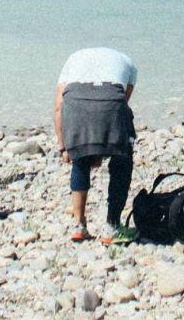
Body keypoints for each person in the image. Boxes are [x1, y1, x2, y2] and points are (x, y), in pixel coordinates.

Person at [54, 47, 137, 244]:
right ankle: (112, 226)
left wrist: (64, 147)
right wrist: (103, 146)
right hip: (111, 103)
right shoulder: (129, 64)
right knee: (122, 159)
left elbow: (58, 106)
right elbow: (118, 104)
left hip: (75, 106)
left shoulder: (72, 59)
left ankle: (78, 225)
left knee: (80, 159)